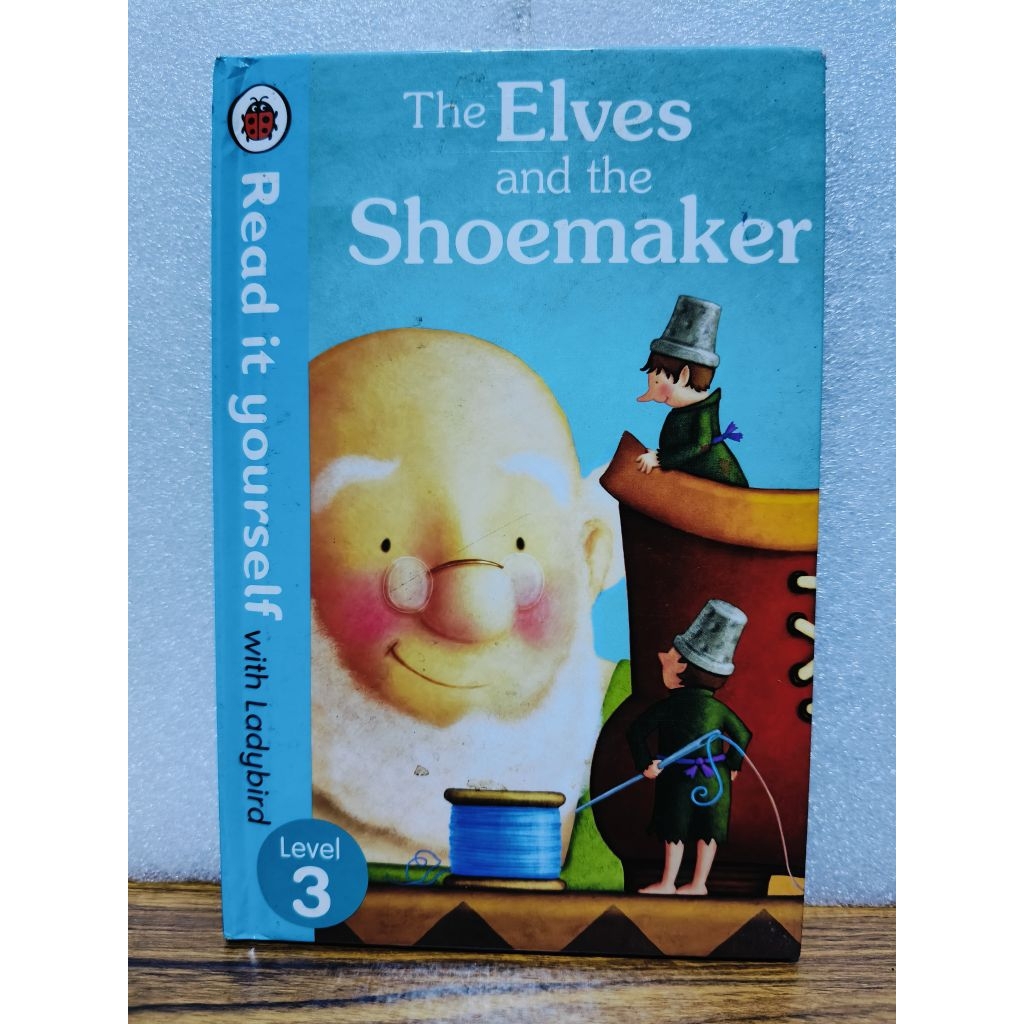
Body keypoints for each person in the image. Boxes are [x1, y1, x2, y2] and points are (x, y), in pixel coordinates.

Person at [309, 327, 620, 866]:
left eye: (521, 546)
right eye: (387, 546)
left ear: (588, 562)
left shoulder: (654, 728)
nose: (475, 612)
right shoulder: (265, 786)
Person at [627, 599, 752, 895]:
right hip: (714, 778)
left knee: (675, 829)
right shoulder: (717, 710)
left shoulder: (668, 707)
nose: (662, 658)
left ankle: (670, 882)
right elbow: (743, 734)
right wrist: (732, 765)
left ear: (683, 667)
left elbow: (636, 731)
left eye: (670, 657)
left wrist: (646, 764)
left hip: (677, 778)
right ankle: (698, 883)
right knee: (707, 831)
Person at [635, 295, 748, 486]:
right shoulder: (686, 411)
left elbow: (700, 445)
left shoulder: (702, 413)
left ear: (684, 375)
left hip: (719, 482)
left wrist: (661, 459)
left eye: (658, 380)